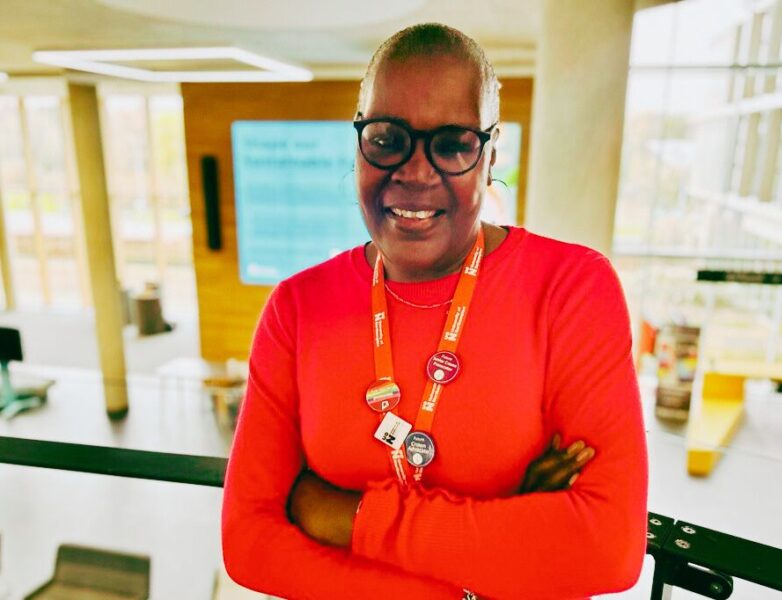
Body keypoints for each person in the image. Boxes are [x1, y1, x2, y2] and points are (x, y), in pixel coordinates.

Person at [222, 23, 648, 600]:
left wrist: (345, 518)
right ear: (359, 141)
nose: (415, 172)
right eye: (386, 138)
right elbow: (249, 542)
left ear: (490, 155)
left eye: (451, 144)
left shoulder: (570, 289)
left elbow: (606, 548)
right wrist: (492, 553)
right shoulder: (298, 308)